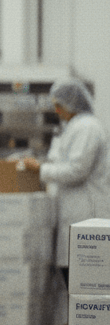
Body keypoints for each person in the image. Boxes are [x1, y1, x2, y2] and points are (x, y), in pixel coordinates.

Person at [22, 79, 110, 285]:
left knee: (85, 283)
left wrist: (39, 169)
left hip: (87, 213)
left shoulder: (87, 127)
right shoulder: (73, 126)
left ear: (72, 104)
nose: (57, 111)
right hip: (73, 211)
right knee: (73, 278)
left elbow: (77, 170)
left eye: (59, 105)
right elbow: (65, 162)